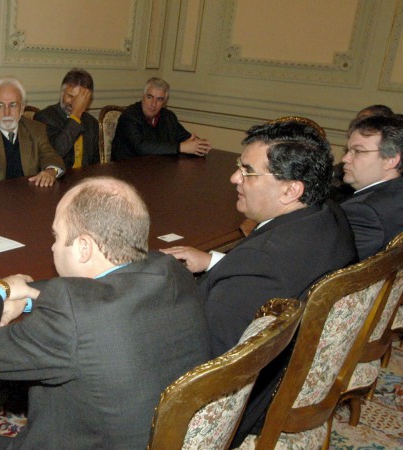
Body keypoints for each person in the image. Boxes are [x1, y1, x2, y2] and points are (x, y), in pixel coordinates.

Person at [0, 177, 210, 449]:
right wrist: (30, 294)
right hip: (161, 437)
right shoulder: (170, 269)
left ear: (83, 248)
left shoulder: (73, 318)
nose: (53, 246)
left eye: (56, 236)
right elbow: (102, 293)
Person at [161, 119, 356, 445]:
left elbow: (203, 365)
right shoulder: (330, 216)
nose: (234, 177)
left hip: (243, 407)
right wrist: (213, 260)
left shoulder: (260, 267)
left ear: (291, 189)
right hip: (284, 373)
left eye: (248, 171)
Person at [0, 76, 66, 186]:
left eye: (13, 105)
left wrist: (51, 171)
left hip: (28, 195)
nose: (7, 112)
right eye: (0, 106)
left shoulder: (36, 129)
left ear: (22, 108)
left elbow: (52, 158)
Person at [340, 115, 403, 259]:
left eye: (358, 151)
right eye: (348, 150)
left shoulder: (364, 212)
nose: (345, 158)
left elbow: (333, 271)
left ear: (390, 160)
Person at [111, 77, 210, 160]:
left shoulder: (168, 117)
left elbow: (186, 138)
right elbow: (141, 147)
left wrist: (198, 145)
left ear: (164, 103)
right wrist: (180, 147)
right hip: (126, 173)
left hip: (157, 172)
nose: (153, 104)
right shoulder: (130, 116)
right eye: (150, 97)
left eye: (159, 99)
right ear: (143, 97)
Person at [33, 68, 100, 168]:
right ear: (62, 93)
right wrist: (76, 114)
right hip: (57, 180)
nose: (74, 103)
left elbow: (95, 165)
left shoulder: (92, 123)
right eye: (70, 96)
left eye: (79, 100)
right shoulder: (44, 117)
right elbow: (55, 154)